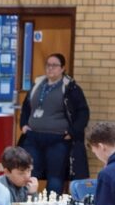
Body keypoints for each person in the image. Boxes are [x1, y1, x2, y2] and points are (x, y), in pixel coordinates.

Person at [17, 51, 88, 191]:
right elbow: (26, 106)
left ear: (62, 68)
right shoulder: (38, 84)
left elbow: (83, 112)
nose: (50, 68)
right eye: (48, 65)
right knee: (30, 174)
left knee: (55, 176)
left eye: (54, 65)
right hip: (33, 137)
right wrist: (24, 124)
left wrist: (72, 132)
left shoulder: (70, 88)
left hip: (57, 139)